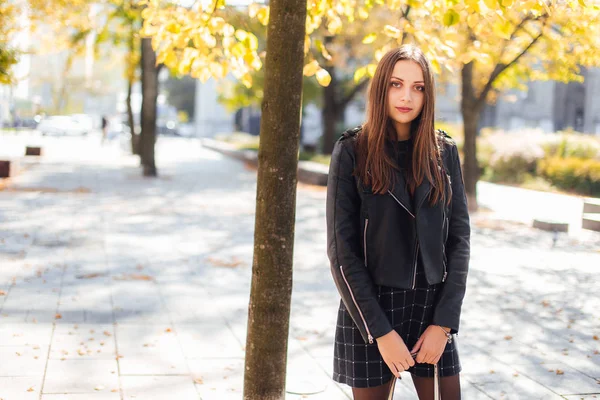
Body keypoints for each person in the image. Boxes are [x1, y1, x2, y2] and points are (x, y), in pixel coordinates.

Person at [326, 44, 470, 400]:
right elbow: (342, 254)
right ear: (381, 88)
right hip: (372, 307)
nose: (407, 96)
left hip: (431, 306)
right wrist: (380, 332)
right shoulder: (352, 151)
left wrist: (444, 323)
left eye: (418, 87)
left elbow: (460, 241)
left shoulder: (443, 152)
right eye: (396, 84)